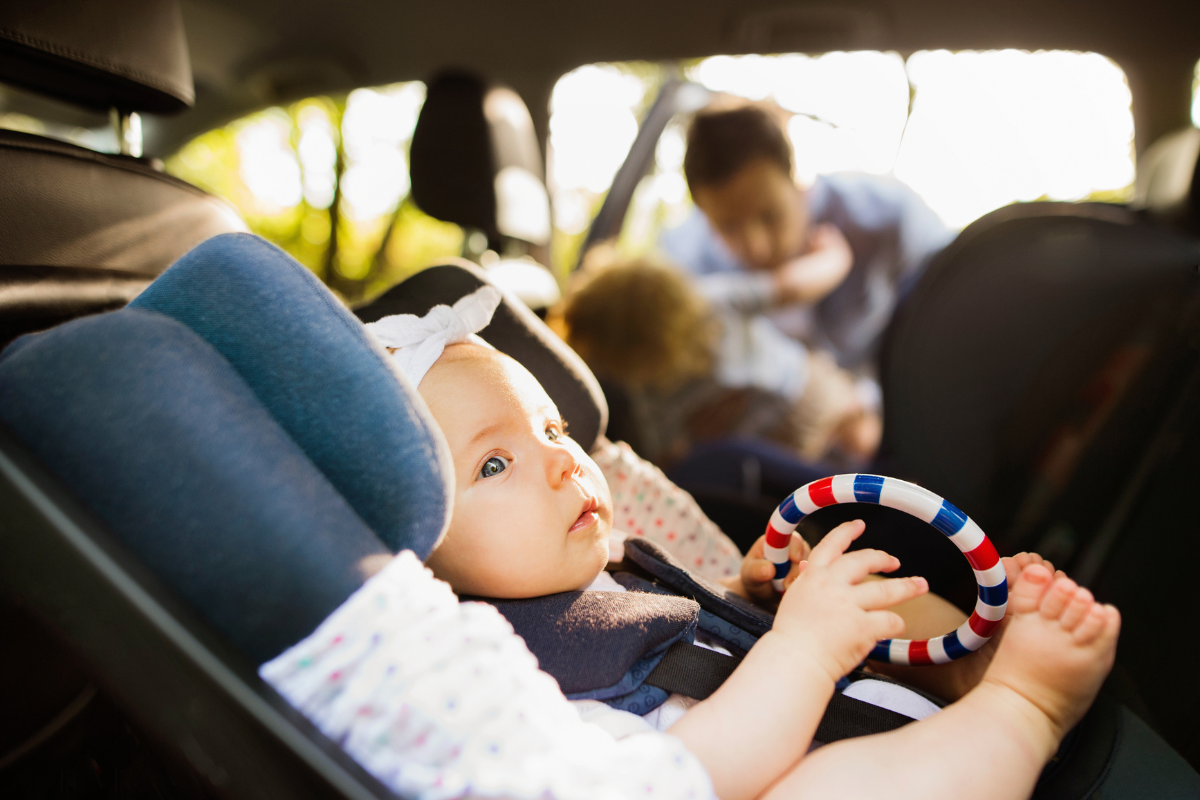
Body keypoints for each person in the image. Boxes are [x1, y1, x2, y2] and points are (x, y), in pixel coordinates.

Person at [314, 286, 1121, 800]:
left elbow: (699, 637)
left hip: (864, 717)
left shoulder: (616, 559)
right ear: (416, 551)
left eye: (553, 429)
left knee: (866, 591)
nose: (565, 462)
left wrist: (756, 597)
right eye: (496, 462)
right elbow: (683, 776)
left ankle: (965, 660)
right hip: (803, 774)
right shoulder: (508, 684)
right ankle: (1025, 708)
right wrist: (802, 651)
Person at [661, 104, 955, 385]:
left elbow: (957, 298)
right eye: (728, 227)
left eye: (770, 216)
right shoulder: (684, 267)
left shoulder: (886, 216)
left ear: (796, 177)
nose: (757, 247)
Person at [558, 255, 880, 465]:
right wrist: (834, 256)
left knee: (847, 445)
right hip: (796, 398)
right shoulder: (710, 302)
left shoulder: (650, 385)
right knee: (861, 440)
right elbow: (789, 286)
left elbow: (665, 454)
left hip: (783, 424)